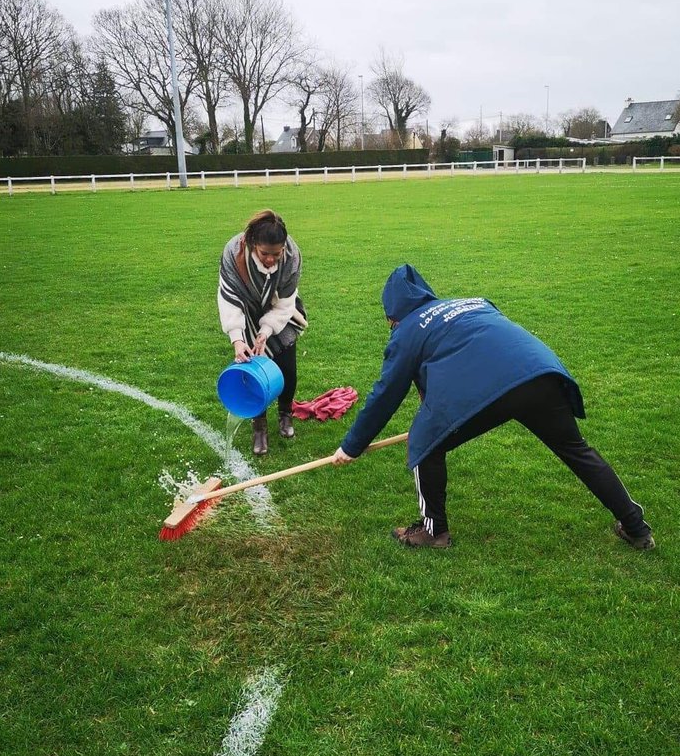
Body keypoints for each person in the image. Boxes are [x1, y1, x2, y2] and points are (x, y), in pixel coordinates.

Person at [331, 265, 654, 550]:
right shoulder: (472, 303)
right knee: (575, 449)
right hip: (540, 373)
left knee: (423, 444)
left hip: (490, 389)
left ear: (392, 316)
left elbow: (386, 394)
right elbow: (464, 350)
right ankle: (636, 527)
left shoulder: (406, 331)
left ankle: (434, 532)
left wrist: (352, 446)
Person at [218, 209, 307, 455]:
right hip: (245, 312)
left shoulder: (291, 256)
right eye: (265, 254)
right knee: (252, 371)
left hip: (280, 311)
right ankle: (259, 427)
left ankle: (285, 415)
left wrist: (266, 330)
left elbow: (286, 303)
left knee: (287, 367)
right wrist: (238, 338)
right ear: (253, 244)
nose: (271, 260)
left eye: (276, 254)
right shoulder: (232, 254)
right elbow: (229, 298)